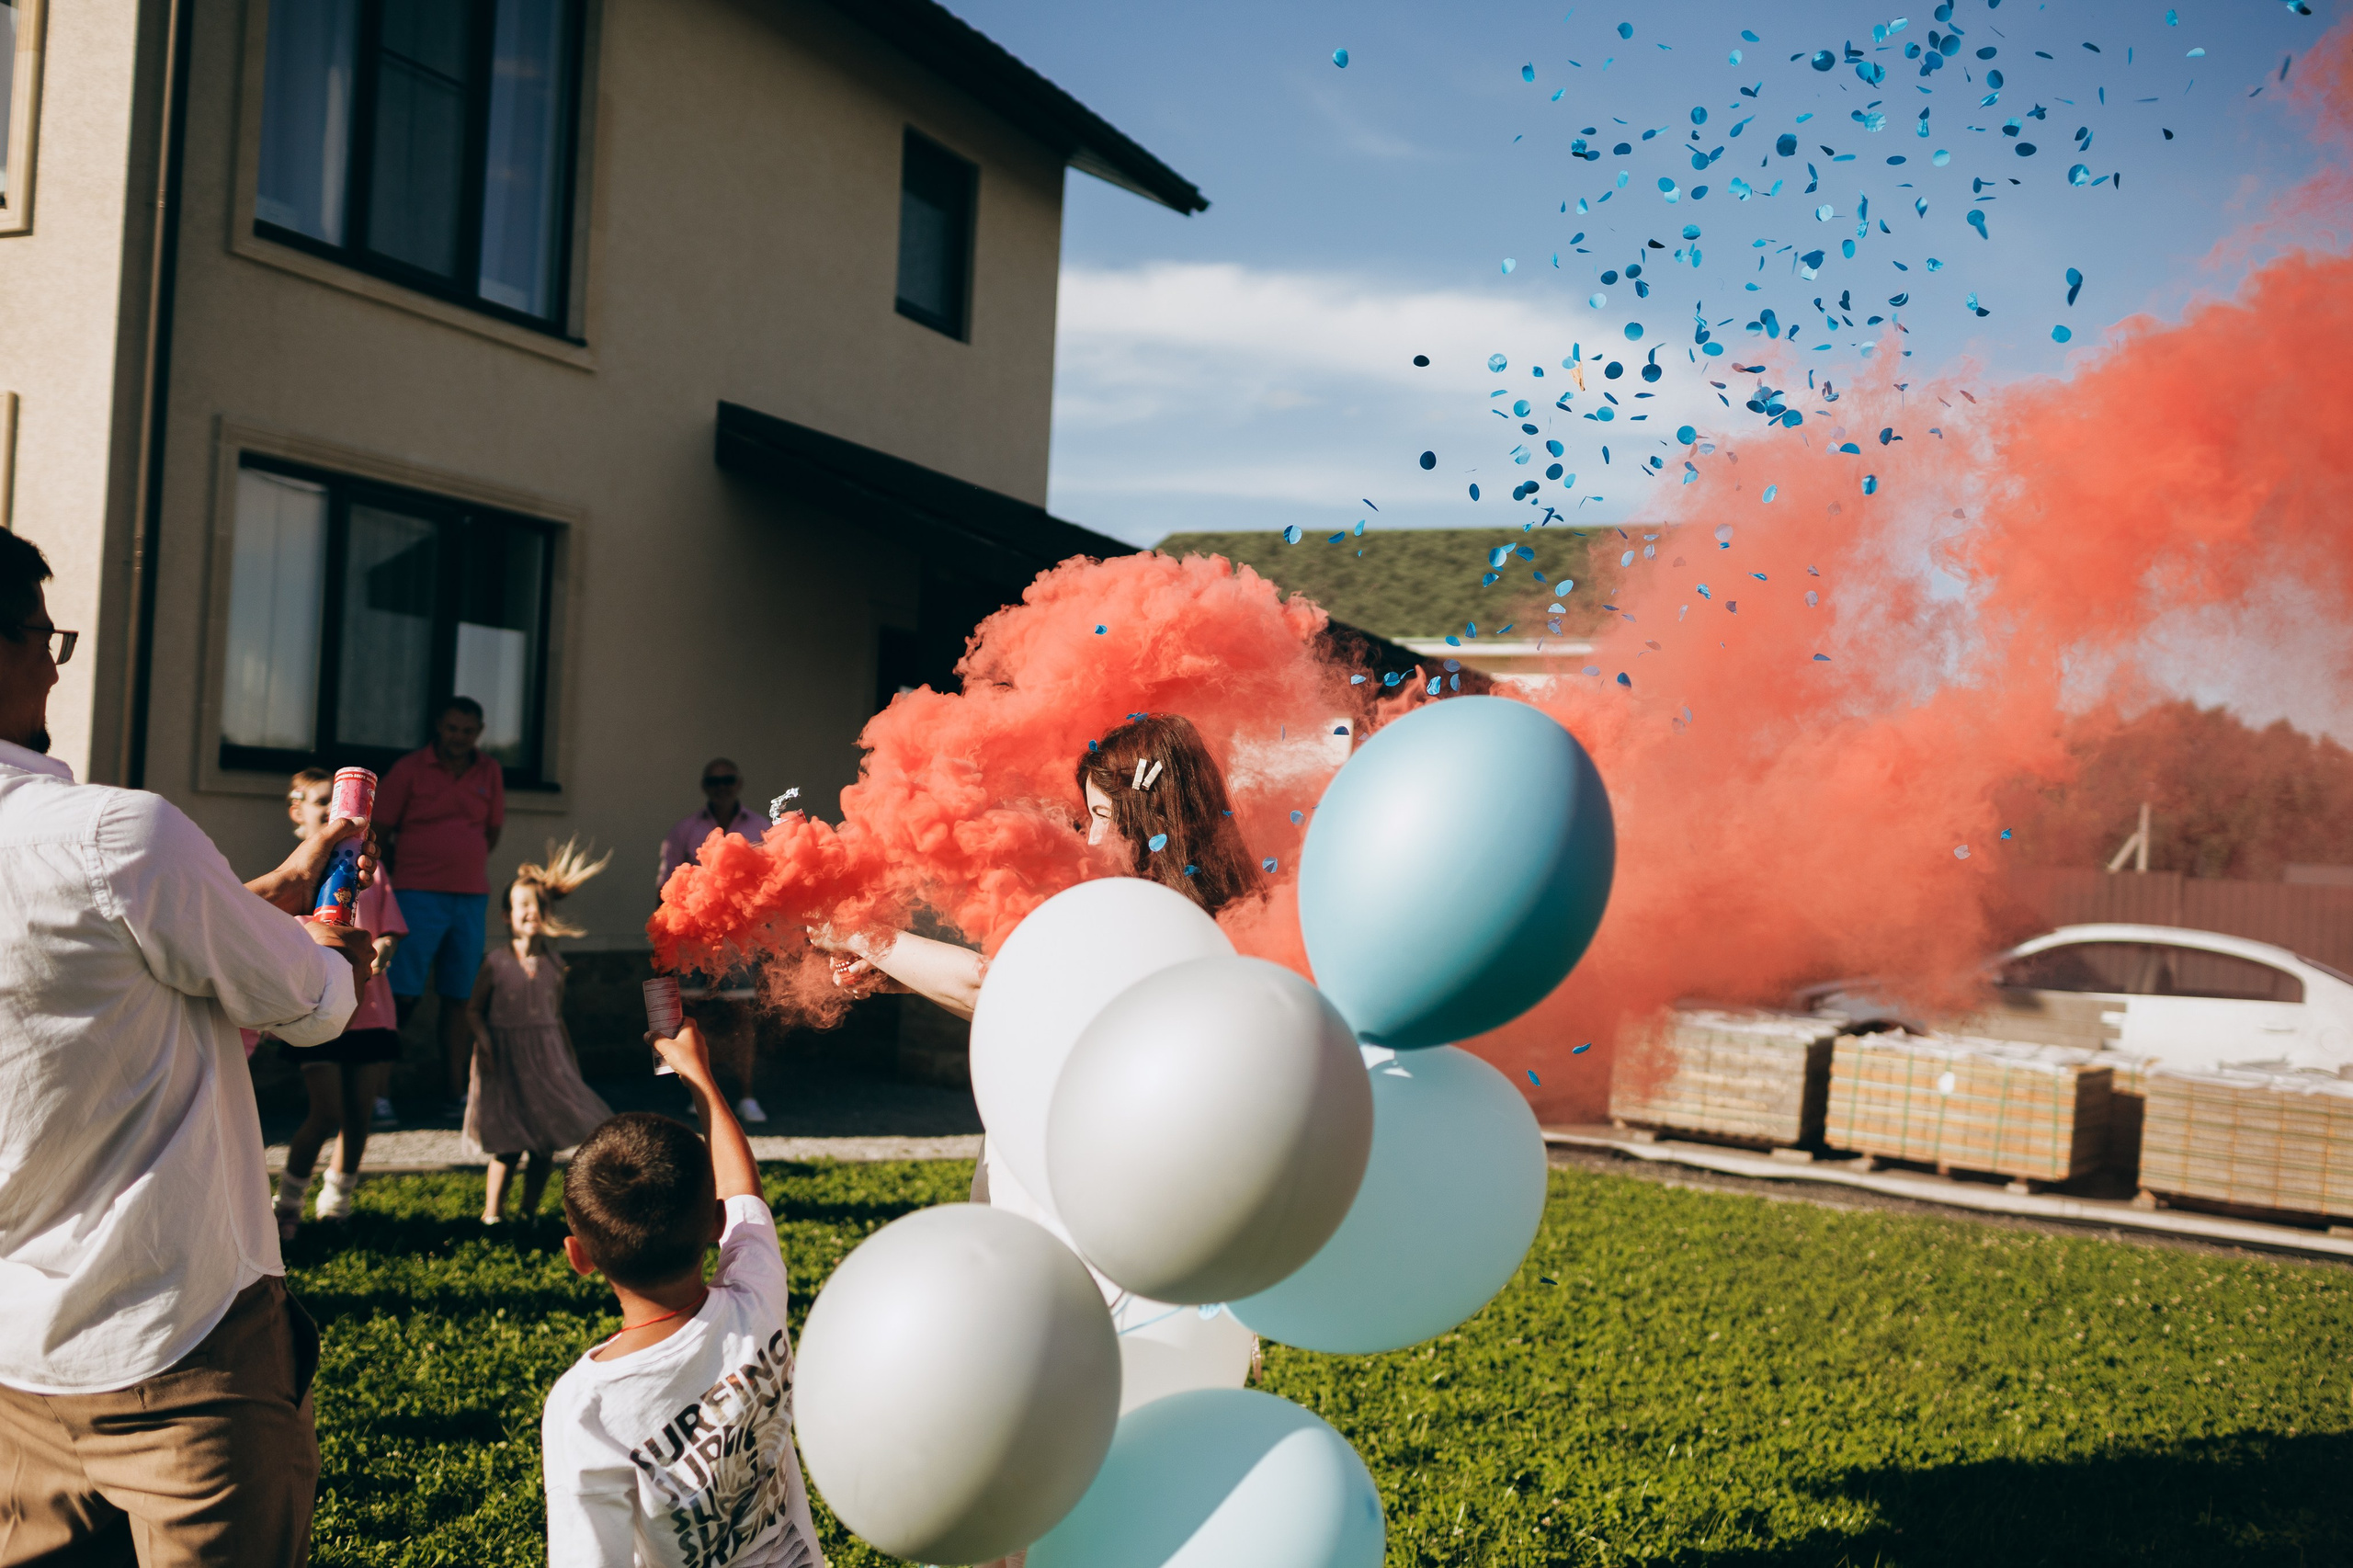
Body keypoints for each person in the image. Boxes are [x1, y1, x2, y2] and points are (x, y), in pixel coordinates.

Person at [0, 531, 378, 1566]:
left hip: (11, 1363)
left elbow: (84, 966)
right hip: (179, 1349)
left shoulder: (96, 855)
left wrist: (254, 897)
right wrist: (338, 941)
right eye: (44, 633)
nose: (55, 658)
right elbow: (313, 1005)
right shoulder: (118, 838)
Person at [540, 1018, 823, 1568]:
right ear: (715, 1222)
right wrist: (701, 1078)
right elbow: (743, 1193)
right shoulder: (755, 1302)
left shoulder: (585, 1408)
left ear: (579, 1257)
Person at [815, 712, 1261, 1017]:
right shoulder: (1215, 900)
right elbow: (1026, 1013)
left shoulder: (1152, 913)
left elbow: (995, 989)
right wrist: (903, 975)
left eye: (1105, 817)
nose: (1093, 838)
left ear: (1155, 816)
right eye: (1090, 818)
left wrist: (860, 934)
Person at [273, 767, 409, 1240]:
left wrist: (385, 948)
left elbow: (388, 926)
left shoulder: (369, 866)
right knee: (326, 1111)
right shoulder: (297, 871)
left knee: (359, 1113)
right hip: (317, 1005)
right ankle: (288, 1202)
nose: (334, 811)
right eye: (320, 802)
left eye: (340, 802)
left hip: (369, 1010)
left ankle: (337, 1203)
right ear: (297, 812)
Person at [467, 840, 618, 1224]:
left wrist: (568, 1061)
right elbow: (473, 1010)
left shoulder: (555, 964)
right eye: (522, 907)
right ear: (506, 915)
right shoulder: (496, 963)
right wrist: (483, 1040)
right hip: (505, 1058)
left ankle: (529, 1213)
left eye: (538, 906)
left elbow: (556, 1015)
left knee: (544, 1145)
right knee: (508, 1145)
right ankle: (493, 1214)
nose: (531, 913)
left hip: (545, 1058)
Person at [378, 695, 506, 1120]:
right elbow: (381, 829)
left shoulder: (490, 770)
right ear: (439, 725)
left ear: (479, 733)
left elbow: (491, 831)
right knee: (401, 995)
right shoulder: (410, 769)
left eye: (467, 731)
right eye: (452, 728)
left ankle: (455, 1095)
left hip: (470, 897)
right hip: (416, 895)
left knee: (460, 998)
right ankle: (378, 1093)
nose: (459, 738)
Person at [658, 756, 773, 1123]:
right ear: (705, 786)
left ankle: (747, 1096)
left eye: (727, 780)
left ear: (738, 783)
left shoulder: (760, 826)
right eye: (714, 781)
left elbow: (772, 885)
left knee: (742, 1016)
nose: (721, 786)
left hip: (741, 940)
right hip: (694, 939)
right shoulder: (684, 830)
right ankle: (699, 1093)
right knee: (694, 1017)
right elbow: (664, 890)